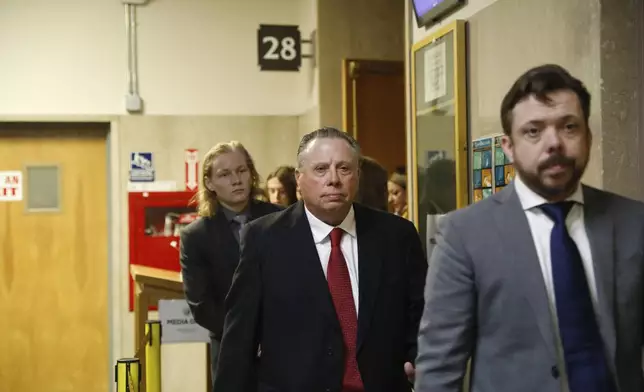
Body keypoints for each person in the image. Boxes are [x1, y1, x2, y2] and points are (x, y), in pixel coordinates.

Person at [415, 64, 644, 392]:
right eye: (533, 131)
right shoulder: (465, 235)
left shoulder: (632, 222)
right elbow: (439, 367)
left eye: (569, 127)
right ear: (508, 146)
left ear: (588, 136)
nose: (554, 143)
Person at [214, 127, 427, 392]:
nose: (334, 179)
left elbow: (421, 311)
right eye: (321, 169)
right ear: (299, 179)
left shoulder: (397, 236)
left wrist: (418, 359)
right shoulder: (263, 239)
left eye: (344, 169)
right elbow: (239, 340)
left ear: (357, 176)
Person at [179, 141, 281, 390]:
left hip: (283, 347)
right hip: (230, 352)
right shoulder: (196, 236)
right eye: (224, 174)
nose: (236, 180)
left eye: (242, 170)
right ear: (210, 184)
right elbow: (201, 305)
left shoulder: (281, 219)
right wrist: (247, 337)